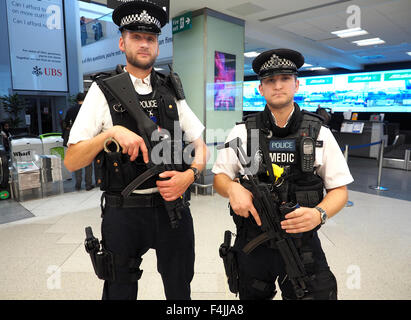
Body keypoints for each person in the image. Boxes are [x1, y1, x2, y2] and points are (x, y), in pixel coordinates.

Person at [64, 1, 207, 300]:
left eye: (151, 39)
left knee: (180, 290)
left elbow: (200, 144)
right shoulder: (102, 90)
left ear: (157, 45)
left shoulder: (171, 88)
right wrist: (111, 134)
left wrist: (190, 175)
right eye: (136, 37)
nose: (144, 44)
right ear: (122, 42)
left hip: (173, 210)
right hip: (124, 213)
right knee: (119, 291)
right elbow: (72, 160)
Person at [213, 48, 353, 300]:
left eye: (285, 79)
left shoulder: (319, 133)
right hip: (253, 240)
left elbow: (340, 190)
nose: (278, 86)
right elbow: (220, 178)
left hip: (302, 244)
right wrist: (232, 188)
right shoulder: (242, 132)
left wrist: (318, 214)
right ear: (260, 89)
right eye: (270, 81)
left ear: (296, 85)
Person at [64, 93, 94, 191]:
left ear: (77, 100)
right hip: (86, 137)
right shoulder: (89, 110)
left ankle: (78, 184)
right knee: (88, 162)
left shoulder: (71, 110)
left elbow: (66, 123)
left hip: (75, 139)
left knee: (77, 161)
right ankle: (88, 184)